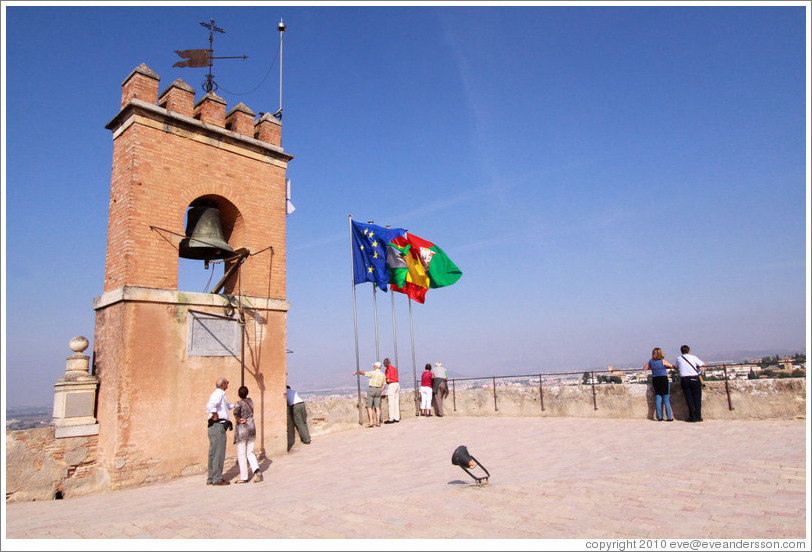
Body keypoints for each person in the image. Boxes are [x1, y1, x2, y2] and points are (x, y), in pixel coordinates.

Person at [206, 377, 234, 486]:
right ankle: (217, 478)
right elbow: (211, 405)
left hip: (215, 427)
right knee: (218, 452)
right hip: (218, 426)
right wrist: (214, 414)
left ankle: (211, 477)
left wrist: (233, 406)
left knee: (213, 453)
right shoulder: (219, 394)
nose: (228, 383)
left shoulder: (219, 394)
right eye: (227, 382)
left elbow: (223, 407)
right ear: (223, 385)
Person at [233, 385, 262, 483]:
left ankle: (244, 477)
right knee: (250, 451)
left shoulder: (239, 403)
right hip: (252, 427)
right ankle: (256, 470)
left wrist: (238, 419)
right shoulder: (251, 402)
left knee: (242, 453)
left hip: (242, 429)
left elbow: (236, 413)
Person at [642, 348, 676, 422]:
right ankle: (669, 417)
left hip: (656, 380)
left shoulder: (651, 361)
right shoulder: (662, 361)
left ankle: (659, 417)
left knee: (658, 397)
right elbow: (672, 366)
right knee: (666, 398)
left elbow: (644, 369)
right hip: (663, 379)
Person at [675, 345, 706, 422]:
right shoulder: (693, 357)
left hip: (684, 379)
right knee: (697, 398)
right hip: (694, 378)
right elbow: (703, 364)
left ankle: (692, 417)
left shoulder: (679, 358)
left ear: (681, 351)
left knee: (689, 398)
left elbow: (676, 366)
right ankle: (698, 416)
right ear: (689, 351)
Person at [354, 362, 385, 427]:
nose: (374, 367)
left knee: (369, 406)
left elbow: (364, 373)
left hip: (372, 389)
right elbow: (384, 384)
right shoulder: (382, 374)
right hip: (379, 389)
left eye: (374, 366)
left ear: (376, 366)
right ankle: (378, 422)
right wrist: (380, 390)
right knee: (377, 407)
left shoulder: (373, 373)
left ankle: (371, 422)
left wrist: (357, 372)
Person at [383, 358, 400, 424]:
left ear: (387, 363)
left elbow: (388, 380)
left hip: (392, 385)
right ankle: (397, 417)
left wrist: (387, 382)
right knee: (396, 401)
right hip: (397, 384)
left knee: (391, 402)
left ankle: (391, 418)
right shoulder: (394, 368)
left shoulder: (387, 369)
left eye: (384, 363)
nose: (384, 364)